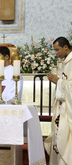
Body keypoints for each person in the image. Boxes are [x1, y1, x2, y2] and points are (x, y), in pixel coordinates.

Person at [44, 37, 72, 165]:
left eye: (57, 50)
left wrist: (58, 81)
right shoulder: (66, 62)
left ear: (65, 47)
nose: (56, 53)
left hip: (68, 110)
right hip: (63, 108)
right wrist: (58, 80)